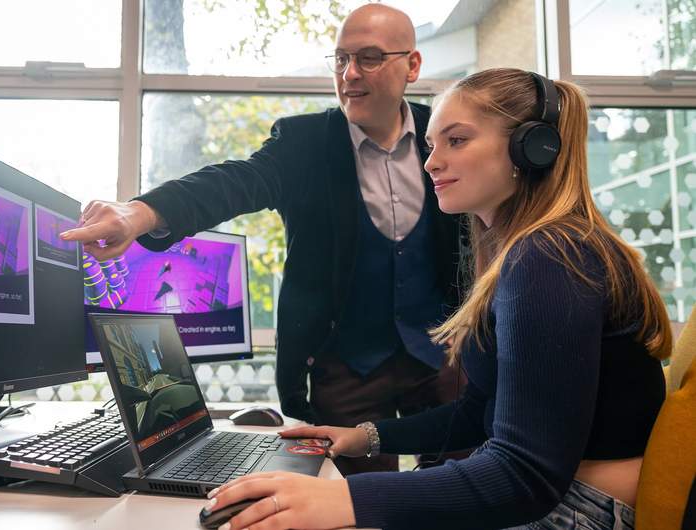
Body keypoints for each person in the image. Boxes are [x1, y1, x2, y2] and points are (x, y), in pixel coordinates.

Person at [197, 68, 672, 530]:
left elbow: (526, 476)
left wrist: (345, 499)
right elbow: (479, 412)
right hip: (558, 496)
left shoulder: (550, 257)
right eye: (431, 145)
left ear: (532, 149)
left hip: (579, 508)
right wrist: (365, 437)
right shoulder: (525, 251)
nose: (431, 163)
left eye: (457, 140)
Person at [62, 5, 467, 475]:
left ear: (412, 65)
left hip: (441, 355)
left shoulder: (442, 136)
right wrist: (141, 212)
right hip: (344, 366)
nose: (349, 73)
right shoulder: (305, 143)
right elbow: (236, 182)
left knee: (457, 488)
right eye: (340, 59)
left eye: (369, 58)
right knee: (351, 502)